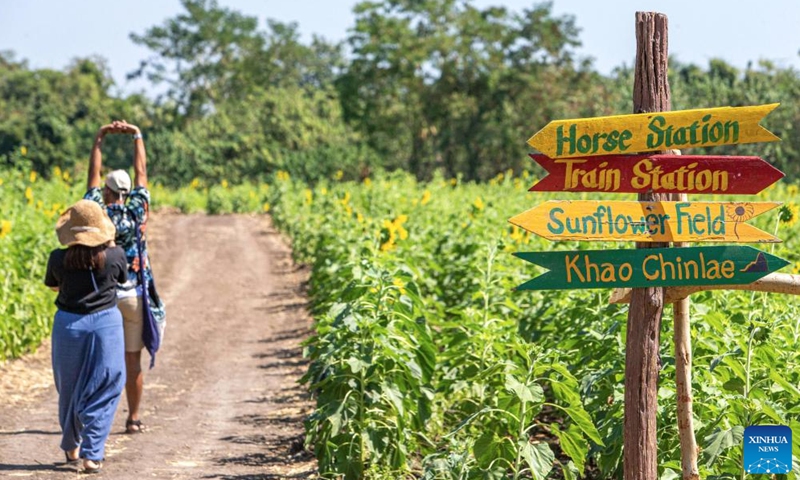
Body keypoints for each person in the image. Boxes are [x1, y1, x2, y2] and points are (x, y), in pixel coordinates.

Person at [84, 120, 164, 434]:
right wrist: (136, 136)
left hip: (103, 296)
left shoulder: (96, 212)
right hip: (134, 297)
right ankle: (133, 419)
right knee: (133, 362)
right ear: (128, 192)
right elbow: (142, 172)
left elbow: (91, 176)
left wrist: (99, 137)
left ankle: (95, 421)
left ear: (106, 191)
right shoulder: (137, 210)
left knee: (99, 363)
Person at [45, 200, 128, 474]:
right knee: (108, 382)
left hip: (68, 324)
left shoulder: (58, 258)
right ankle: (92, 454)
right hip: (106, 322)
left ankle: (71, 444)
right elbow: (122, 279)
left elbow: (55, 287)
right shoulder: (115, 255)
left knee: (69, 386)